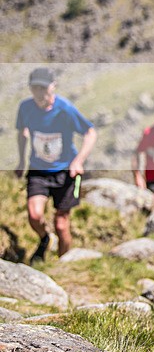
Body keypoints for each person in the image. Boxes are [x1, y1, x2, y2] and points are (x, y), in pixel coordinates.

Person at [14, 67, 97, 263]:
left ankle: (63, 265)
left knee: (61, 224)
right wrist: (20, 160)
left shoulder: (65, 109)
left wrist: (78, 161)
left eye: (44, 88)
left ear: (53, 87)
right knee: (34, 215)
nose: (40, 93)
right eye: (35, 88)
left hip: (66, 172)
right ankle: (45, 239)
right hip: (38, 169)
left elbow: (90, 132)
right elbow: (22, 133)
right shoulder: (25, 108)